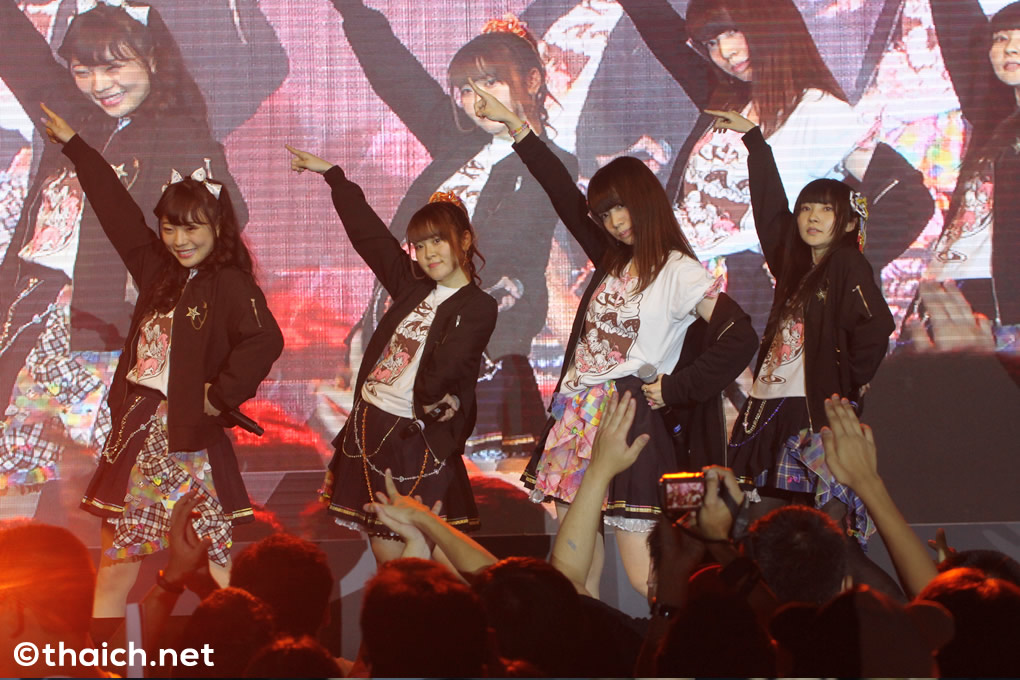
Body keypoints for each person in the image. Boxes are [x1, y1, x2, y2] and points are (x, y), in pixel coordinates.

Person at [471, 83, 757, 597]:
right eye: (604, 213)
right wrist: (516, 127)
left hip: (631, 415)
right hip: (578, 411)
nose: (614, 221)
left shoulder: (680, 270)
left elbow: (740, 336)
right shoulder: (611, 260)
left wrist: (676, 388)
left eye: (620, 207)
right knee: (572, 571)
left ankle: (693, 640)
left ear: (645, 200)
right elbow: (563, 195)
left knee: (651, 576)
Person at [39, 106, 283, 621]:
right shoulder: (156, 269)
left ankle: (238, 651)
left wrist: (218, 395)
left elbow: (265, 340)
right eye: (171, 228)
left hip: (192, 439)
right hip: (138, 434)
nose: (180, 240)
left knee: (218, 565)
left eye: (193, 228)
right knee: (115, 568)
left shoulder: (231, 282)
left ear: (218, 227)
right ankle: (105, 658)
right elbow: (117, 211)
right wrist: (77, 147)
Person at [0, 1, 245, 498]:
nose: (100, 85)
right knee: (23, 472)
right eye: (83, 71)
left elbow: (222, 222)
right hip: (35, 312)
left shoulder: (177, 133)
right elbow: (21, 52)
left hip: (111, 328)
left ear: (151, 59)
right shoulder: (74, 116)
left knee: (121, 480)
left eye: (115, 67)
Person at [328, 0, 578, 461]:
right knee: (392, 470)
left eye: (491, 81)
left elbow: (512, 246)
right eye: (464, 88)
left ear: (532, 81)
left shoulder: (552, 163)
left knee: (477, 470)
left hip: (476, 333)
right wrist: (354, 12)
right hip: (406, 315)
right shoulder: (457, 141)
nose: (476, 99)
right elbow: (398, 77)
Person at [617, 0, 931, 337]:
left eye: (734, 30)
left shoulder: (818, 111)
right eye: (711, 42)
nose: (726, 52)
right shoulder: (730, 100)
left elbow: (910, 200)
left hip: (744, 300)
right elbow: (666, 35)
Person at [711, 109, 899, 592]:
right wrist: (755, 143)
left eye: (825, 210)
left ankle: (898, 612)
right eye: (806, 209)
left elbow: (877, 325)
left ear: (847, 222)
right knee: (768, 534)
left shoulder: (847, 263)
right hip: (770, 408)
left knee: (828, 540)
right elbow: (770, 214)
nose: (812, 218)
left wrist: (849, 383)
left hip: (811, 415)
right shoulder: (795, 269)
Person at [286, 144, 497, 565]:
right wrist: (334, 176)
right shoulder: (412, 286)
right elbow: (371, 238)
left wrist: (436, 405)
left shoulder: (477, 305)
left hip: (414, 435)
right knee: (387, 550)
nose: (429, 252)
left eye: (438, 240)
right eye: (419, 245)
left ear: (464, 240)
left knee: (429, 555)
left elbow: (450, 364)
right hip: (372, 423)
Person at [928, 0, 1020, 351]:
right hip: (956, 281)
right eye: (1000, 38)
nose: (1010, 48)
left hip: (1007, 307)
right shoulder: (992, 116)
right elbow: (958, 24)